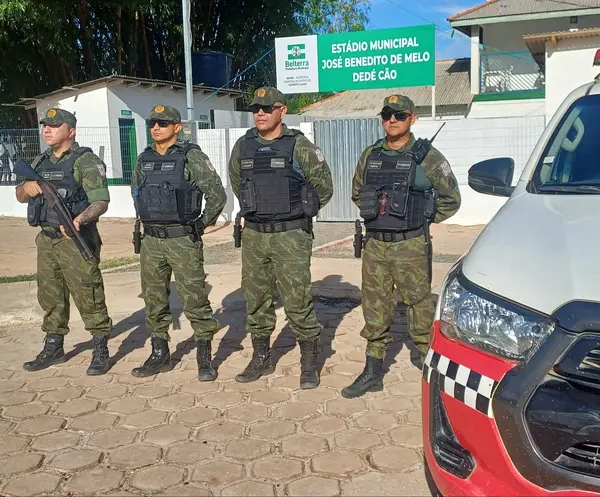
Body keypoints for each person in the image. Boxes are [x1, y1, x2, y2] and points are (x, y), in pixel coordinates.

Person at [342, 94, 461, 399]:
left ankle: (426, 361)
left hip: (410, 244)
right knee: (374, 305)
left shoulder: (427, 157)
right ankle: (372, 371)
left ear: (412, 118)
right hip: (376, 246)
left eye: (399, 115)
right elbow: (358, 192)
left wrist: (421, 219)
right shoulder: (370, 155)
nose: (392, 120)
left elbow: (451, 199)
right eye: (387, 115)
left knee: (419, 304)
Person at [229, 86, 333, 389]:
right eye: (255, 109)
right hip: (255, 236)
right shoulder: (243, 146)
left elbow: (323, 187)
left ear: (282, 111)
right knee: (256, 299)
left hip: (290, 236)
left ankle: (309, 362)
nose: (260, 113)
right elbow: (238, 183)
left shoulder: (299, 146)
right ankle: (261, 357)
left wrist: (295, 213)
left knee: (297, 300)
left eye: (267, 108)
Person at [131, 105, 227, 382]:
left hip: (182, 240)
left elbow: (217, 194)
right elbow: (136, 193)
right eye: (153, 123)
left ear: (176, 127)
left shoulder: (191, 157)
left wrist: (199, 225)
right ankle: (160, 354)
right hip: (151, 241)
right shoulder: (143, 158)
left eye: (162, 123)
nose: (156, 127)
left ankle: (204, 357)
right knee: (154, 300)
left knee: (195, 299)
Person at [15, 108, 114, 375]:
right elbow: (20, 196)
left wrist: (80, 220)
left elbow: (101, 201)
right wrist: (25, 188)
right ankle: (54, 347)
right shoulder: (39, 162)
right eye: (45, 126)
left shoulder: (85, 162)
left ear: (70, 131)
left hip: (75, 240)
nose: (47, 130)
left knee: (89, 294)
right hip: (46, 241)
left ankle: (100, 347)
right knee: (50, 295)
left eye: (54, 126)